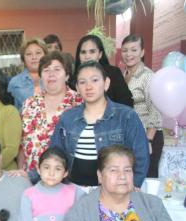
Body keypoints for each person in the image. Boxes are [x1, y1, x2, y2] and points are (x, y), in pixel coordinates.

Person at [50, 61, 149, 188]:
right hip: (73, 189)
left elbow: (141, 157)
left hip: (112, 192)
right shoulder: (67, 118)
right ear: (77, 88)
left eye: (95, 80)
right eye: (82, 82)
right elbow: (55, 154)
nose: (88, 87)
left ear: (106, 83)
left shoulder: (126, 116)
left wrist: (134, 186)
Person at [20, 51, 82, 174]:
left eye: (57, 69)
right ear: (41, 76)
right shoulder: (29, 104)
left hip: (69, 178)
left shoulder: (80, 103)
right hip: (32, 177)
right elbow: (21, 144)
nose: (51, 74)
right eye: (46, 70)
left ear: (67, 75)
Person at [121, 34, 163, 178]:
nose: (129, 54)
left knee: (145, 180)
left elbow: (156, 110)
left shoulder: (148, 77)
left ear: (142, 52)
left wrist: (148, 140)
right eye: (125, 50)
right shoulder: (122, 76)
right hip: (131, 137)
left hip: (148, 136)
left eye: (134, 50)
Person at [72, 34, 133, 107]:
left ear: (100, 54)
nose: (87, 56)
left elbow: (126, 102)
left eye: (92, 52)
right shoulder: (73, 80)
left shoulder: (113, 73)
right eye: (83, 52)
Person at [8, 38, 48, 111]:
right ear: (23, 59)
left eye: (38, 53)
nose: (34, 57)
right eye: (29, 54)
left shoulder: (52, 78)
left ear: (46, 56)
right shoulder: (15, 82)